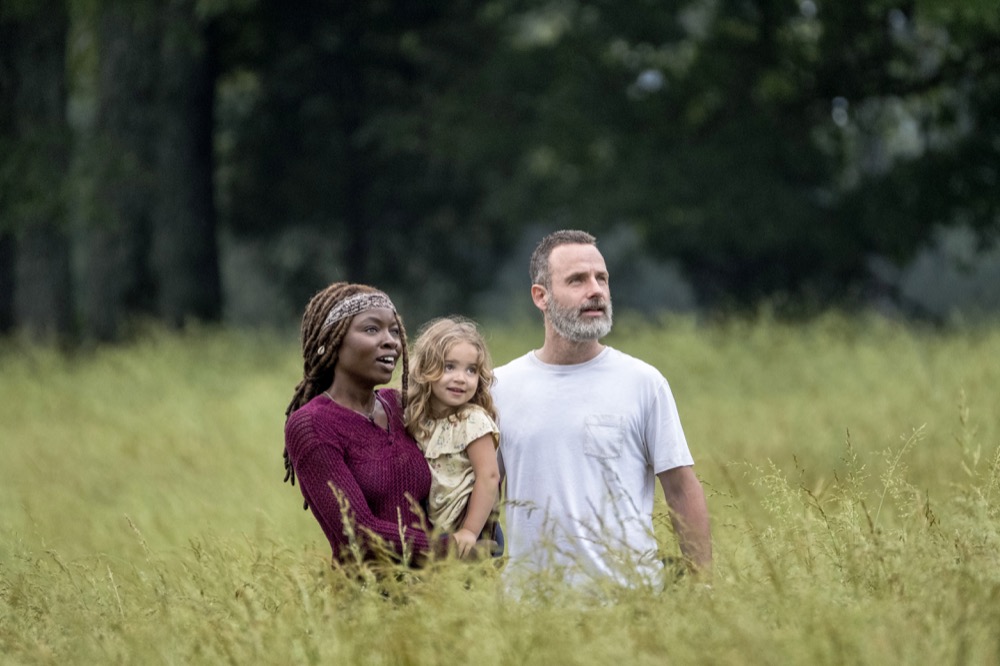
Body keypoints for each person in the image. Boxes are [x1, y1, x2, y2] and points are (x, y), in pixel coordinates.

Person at [493, 229, 712, 588]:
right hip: (530, 612)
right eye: (577, 280)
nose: (595, 290)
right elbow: (480, 493)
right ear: (541, 296)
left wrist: (704, 589)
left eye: (602, 278)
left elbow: (681, 489)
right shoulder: (499, 387)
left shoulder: (643, 382)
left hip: (631, 603)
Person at [283, 282, 444, 565]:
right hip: (368, 600)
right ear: (331, 340)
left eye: (394, 330)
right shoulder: (311, 424)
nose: (391, 341)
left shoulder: (401, 406)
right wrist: (446, 550)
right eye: (372, 329)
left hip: (438, 594)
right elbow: (357, 534)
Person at [405, 316, 502, 559]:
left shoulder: (472, 421)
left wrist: (470, 530)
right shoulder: (418, 418)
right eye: (449, 367)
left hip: (472, 528)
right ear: (426, 368)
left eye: (471, 370)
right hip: (438, 531)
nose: (461, 378)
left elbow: (489, 476)